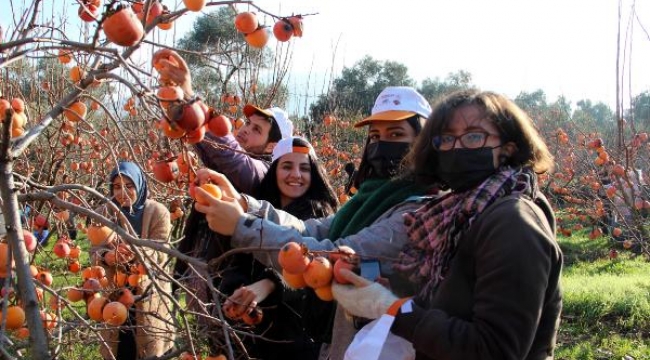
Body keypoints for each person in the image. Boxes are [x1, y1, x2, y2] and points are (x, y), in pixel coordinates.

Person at [193, 86, 435, 360]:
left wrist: (241, 226)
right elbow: (310, 229)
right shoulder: (368, 200)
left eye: (396, 134)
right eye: (375, 136)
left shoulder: (419, 212)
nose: (381, 145)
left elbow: (336, 253)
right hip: (336, 341)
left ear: (423, 141)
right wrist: (245, 204)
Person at [331, 89, 562, 360]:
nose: (457, 148)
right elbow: (449, 296)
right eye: (447, 139)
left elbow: (494, 349)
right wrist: (380, 281)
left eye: (474, 136)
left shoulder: (513, 223)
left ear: (508, 148)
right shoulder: (454, 213)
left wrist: (393, 308)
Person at [220, 136, 339, 359]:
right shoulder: (256, 211)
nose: (296, 175)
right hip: (252, 335)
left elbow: (315, 274)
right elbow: (237, 260)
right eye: (287, 166)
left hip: (299, 339)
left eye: (304, 168)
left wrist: (272, 283)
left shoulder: (320, 220)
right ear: (274, 171)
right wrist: (237, 291)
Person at [90, 162, 175, 359]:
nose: (122, 192)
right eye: (117, 187)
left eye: (129, 186)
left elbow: (162, 251)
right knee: (121, 347)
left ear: (139, 185)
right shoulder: (105, 212)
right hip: (115, 294)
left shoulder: (158, 212)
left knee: (150, 345)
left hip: (149, 293)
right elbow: (94, 249)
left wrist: (135, 252)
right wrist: (106, 256)